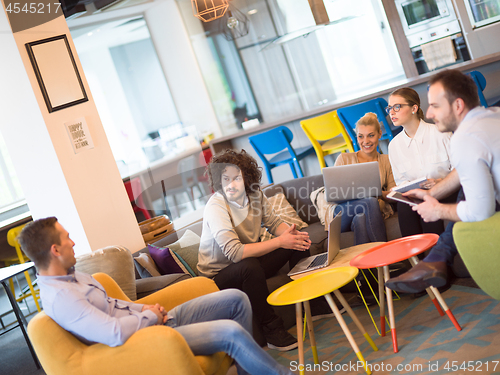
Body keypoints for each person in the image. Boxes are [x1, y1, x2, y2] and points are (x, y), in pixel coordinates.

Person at [20, 217, 293, 375]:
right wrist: (149, 317)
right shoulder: (62, 298)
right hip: (146, 339)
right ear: (55, 250)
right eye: (68, 238)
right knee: (231, 333)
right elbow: (112, 333)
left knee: (235, 298)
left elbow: (115, 306)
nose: (74, 242)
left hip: (153, 321)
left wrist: (144, 309)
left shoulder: (74, 274)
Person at [386, 69, 500, 294]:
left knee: (464, 194)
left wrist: (437, 210)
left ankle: (434, 261)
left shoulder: (464, 138)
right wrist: (433, 193)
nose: (428, 113)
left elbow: (481, 211)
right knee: (462, 191)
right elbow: (464, 172)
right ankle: (434, 260)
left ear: (457, 106)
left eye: (435, 106)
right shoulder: (492, 116)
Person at [197, 149, 314, 352]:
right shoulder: (216, 206)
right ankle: (271, 330)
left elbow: (274, 222)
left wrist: (291, 234)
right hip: (218, 277)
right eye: (226, 179)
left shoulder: (255, 194)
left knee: (297, 241)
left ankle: (314, 304)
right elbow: (235, 253)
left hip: (248, 263)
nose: (231, 184)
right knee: (249, 265)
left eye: (237, 178)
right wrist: (280, 242)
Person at [387, 87, 457, 238]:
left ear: (414, 108)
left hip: (446, 191)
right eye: (389, 108)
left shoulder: (441, 133)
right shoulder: (394, 146)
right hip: (416, 195)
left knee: (427, 202)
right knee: (404, 205)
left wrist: (440, 182)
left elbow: (460, 170)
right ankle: (417, 260)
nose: (391, 112)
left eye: (397, 107)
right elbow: (401, 180)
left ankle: (437, 256)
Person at [331, 112, 395, 244]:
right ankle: (387, 257)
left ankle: (369, 265)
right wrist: (371, 195)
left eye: (371, 135)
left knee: (360, 219)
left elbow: (393, 194)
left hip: (365, 214)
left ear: (379, 135)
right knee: (370, 201)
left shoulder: (387, 160)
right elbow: (333, 194)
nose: (365, 141)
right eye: (361, 136)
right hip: (343, 212)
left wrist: (374, 192)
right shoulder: (344, 158)